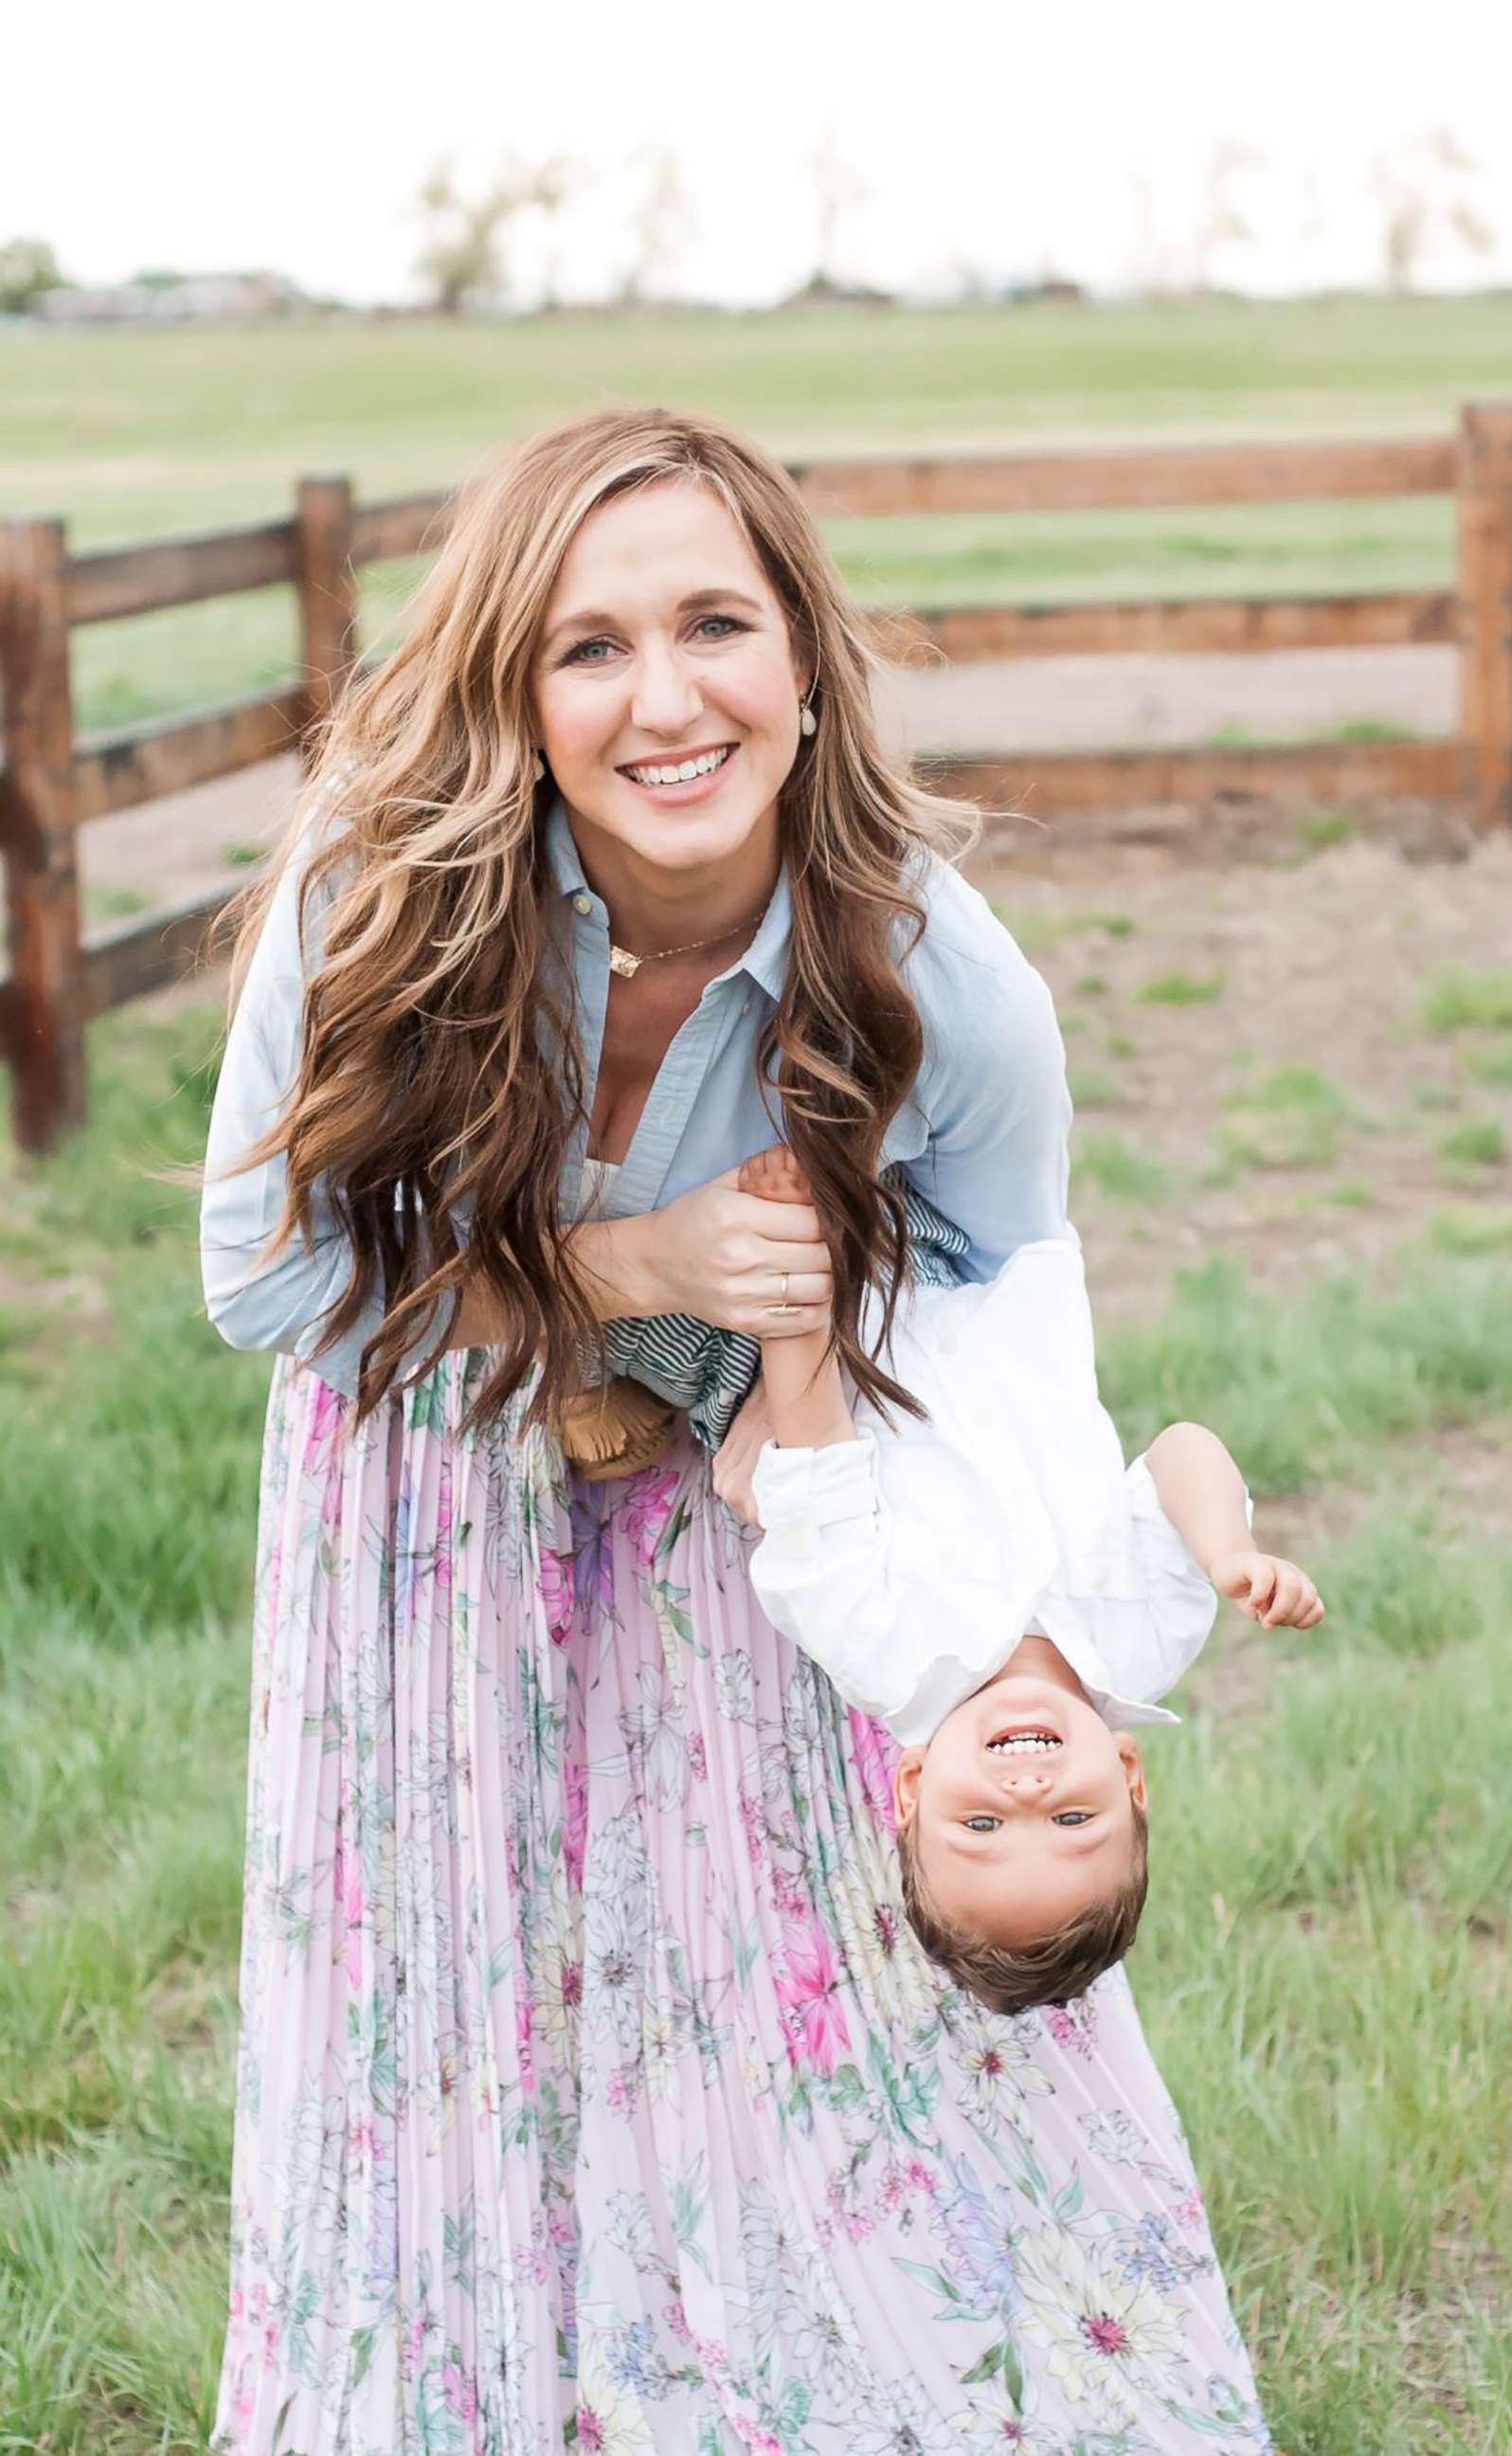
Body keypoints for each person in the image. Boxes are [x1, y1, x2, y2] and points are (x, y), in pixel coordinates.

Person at [201, 404, 1277, 2451]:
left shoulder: (939, 981)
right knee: (451, 1981)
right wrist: (630, 1267)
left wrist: (933, 1593)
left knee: (769, 1968)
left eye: (715, 624)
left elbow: (998, 1312)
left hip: (775, 1493)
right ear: (515, 688)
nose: (664, 697)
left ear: (802, 661)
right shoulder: (376, 901)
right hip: (422, 1469)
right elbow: (265, 1282)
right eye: (590, 646)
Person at [735, 1147, 1323, 2014]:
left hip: (853, 1293)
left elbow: (815, 1450)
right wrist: (1227, 1549)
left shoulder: (878, 1646)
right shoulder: (1147, 1639)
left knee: (698, 1330)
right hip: (1006, 1257)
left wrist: (799, 1259)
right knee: (988, 1040)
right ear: (1129, 1777)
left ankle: (615, 1381)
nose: (1026, 1796)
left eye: (979, 1828)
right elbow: (1180, 1450)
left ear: (910, 1790)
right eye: (1071, 1822)